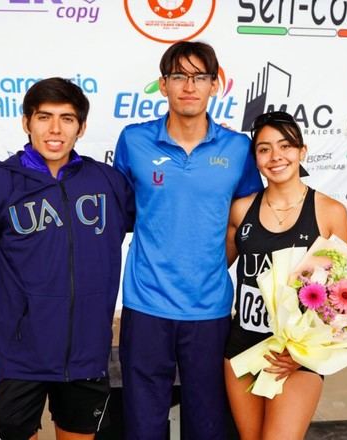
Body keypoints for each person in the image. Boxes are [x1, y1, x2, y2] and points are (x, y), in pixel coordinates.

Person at [0, 77, 134, 440]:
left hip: (85, 353)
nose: (55, 129)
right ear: (26, 122)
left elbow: (157, 228)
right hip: (17, 356)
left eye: (67, 119)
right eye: (44, 117)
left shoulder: (107, 182)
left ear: (81, 127)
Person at [113, 41, 263, 439]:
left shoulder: (238, 148)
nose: (189, 86)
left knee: (208, 424)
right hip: (146, 305)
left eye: (200, 77)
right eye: (179, 76)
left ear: (215, 85)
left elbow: (244, 225)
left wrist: (208, 265)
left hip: (210, 309)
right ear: (163, 85)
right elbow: (122, 213)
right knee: (143, 425)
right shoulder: (134, 141)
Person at [224, 111, 347, 440]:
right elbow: (213, 268)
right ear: (255, 158)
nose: (276, 156)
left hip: (294, 356)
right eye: (264, 149)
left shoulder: (330, 213)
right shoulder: (240, 210)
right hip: (243, 346)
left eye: (285, 146)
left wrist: (302, 353)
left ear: (302, 151)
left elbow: (341, 298)